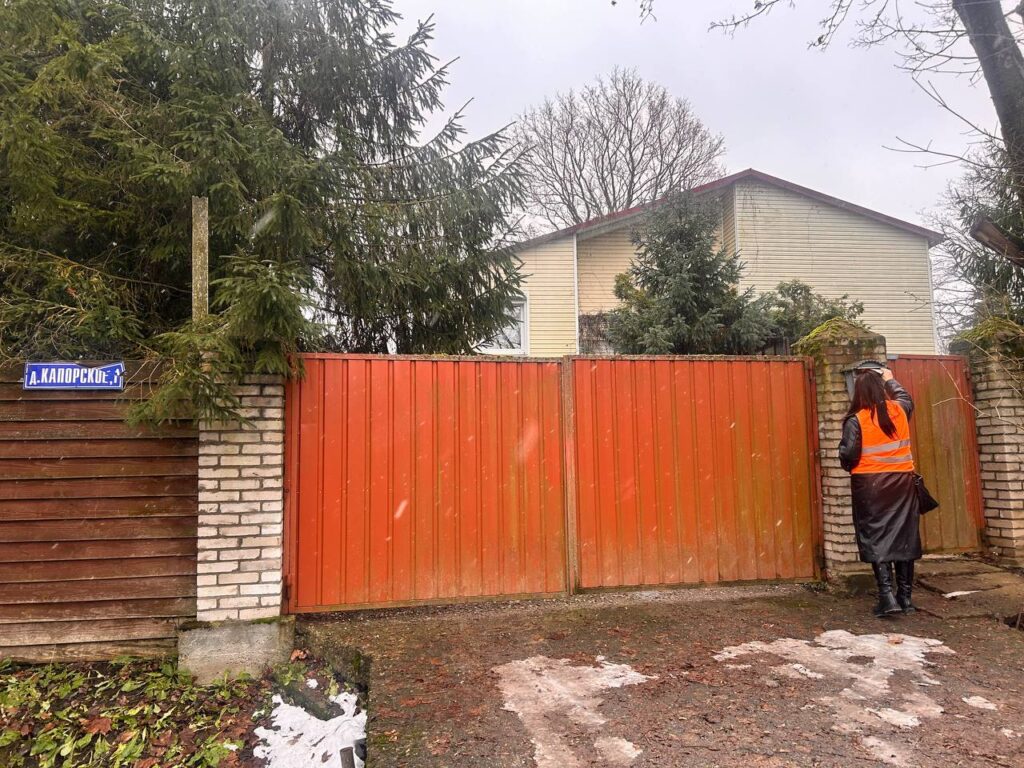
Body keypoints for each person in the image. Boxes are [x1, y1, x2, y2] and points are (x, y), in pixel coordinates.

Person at [838, 362, 921, 617]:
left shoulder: (857, 420)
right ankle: (905, 598)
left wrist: (850, 465)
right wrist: (890, 379)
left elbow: (848, 455)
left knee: (875, 538)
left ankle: (887, 597)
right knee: (904, 538)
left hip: (870, 487)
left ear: (859, 392)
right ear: (881, 389)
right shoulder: (899, 410)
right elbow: (906, 398)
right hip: (903, 484)